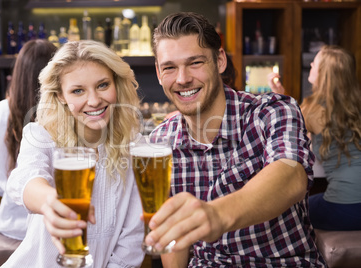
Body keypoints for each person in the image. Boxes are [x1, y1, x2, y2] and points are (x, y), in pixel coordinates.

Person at [147, 12, 326, 267]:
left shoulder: (271, 111)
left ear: (219, 60)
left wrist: (216, 215)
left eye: (195, 62)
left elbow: (291, 176)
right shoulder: (159, 141)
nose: (182, 78)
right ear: (158, 72)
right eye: (169, 67)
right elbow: (173, 237)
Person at [1, 40, 145, 267]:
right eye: (78, 90)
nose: (94, 100)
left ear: (116, 83)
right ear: (60, 96)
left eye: (103, 85)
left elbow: (132, 238)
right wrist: (50, 201)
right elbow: (25, 178)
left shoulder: (134, 146)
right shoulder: (41, 135)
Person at [0, 39, 57, 267]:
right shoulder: (60, 115)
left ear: (18, 71)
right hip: (53, 232)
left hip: (9, 226)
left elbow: (0, 183)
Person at [268, 45, 361, 231]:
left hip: (345, 208)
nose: (310, 64)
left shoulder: (313, 109)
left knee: (286, 211)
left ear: (324, 75)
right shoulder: (355, 107)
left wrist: (279, 96)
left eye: (315, 63)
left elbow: (289, 127)